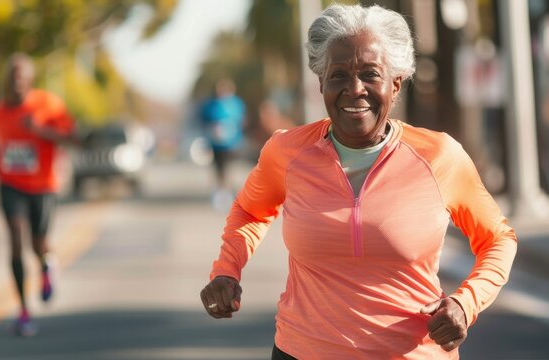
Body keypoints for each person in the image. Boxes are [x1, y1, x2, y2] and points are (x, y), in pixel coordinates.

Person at [200, 4, 517, 359]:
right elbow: (249, 210)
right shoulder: (287, 152)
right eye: (338, 75)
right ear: (320, 82)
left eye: (370, 74)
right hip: (301, 351)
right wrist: (227, 270)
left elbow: (498, 239)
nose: (354, 89)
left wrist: (465, 303)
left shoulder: (439, 156)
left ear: (396, 84)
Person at [0, 53, 77, 337]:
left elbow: (72, 138)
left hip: (43, 186)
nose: (17, 83)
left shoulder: (48, 105)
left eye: (22, 78)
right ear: (7, 81)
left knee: (39, 243)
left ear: (30, 80)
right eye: (12, 78)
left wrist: (39, 130)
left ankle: (47, 265)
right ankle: (23, 310)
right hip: (10, 184)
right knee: (14, 238)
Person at [199, 78, 246, 210]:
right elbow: (204, 122)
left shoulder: (237, 104)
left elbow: (241, 121)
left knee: (229, 169)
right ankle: (220, 195)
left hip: (232, 143)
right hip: (216, 145)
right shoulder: (211, 105)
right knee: (219, 169)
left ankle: (229, 193)